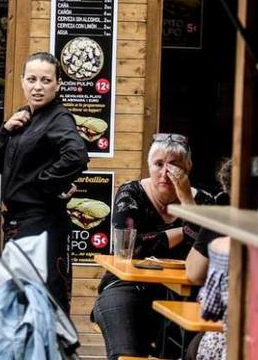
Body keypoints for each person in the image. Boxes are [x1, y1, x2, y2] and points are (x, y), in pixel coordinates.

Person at [92, 133, 215, 360]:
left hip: (187, 294)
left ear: (188, 166)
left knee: (200, 347)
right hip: (127, 286)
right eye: (159, 164)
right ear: (149, 165)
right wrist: (181, 232)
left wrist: (187, 201)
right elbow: (131, 248)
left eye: (174, 165)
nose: (165, 173)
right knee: (127, 353)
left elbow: (207, 247)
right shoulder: (131, 194)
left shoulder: (205, 201)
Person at [0, 51, 89, 313]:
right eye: (32, 79)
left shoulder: (59, 118)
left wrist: (45, 185)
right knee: (21, 296)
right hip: (17, 222)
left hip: (43, 222)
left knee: (46, 297)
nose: (37, 87)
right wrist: (5, 130)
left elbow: (76, 155)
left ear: (58, 84)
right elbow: (4, 163)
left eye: (45, 80)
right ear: (22, 80)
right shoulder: (24, 116)